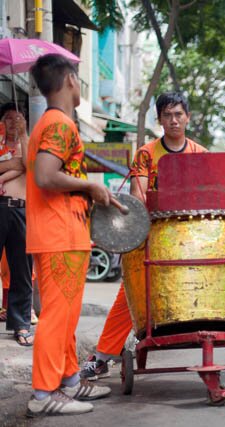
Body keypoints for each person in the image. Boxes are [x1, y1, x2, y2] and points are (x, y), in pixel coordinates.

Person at [80, 92, 225, 381]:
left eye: (178, 114)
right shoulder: (146, 153)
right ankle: (102, 357)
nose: (173, 120)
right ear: (159, 119)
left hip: (199, 239)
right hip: (155, 236)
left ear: (188, 117)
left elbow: (215, 198)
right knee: (129, 294)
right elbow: (138, 196)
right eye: (167, 115)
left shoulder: (201, 154)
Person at [26, 53, 112, 417]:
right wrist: (90, 188)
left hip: (63, 233)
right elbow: (46, 176)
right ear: (71, 81)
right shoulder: (60, 124)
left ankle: (70, 381)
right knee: (56, 318)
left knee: (65, 317)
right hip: (58, 233)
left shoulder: (52, 122)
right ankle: (44, 395)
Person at [0, 103, 34, 346]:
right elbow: (20, 165)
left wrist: (23, 135)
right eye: (8, 118)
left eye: (18, 118)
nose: (13, 122)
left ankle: (21, 324)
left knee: (22, 270)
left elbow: (31, 165)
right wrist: (14, 165)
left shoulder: (27, 140)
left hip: (21, 208)